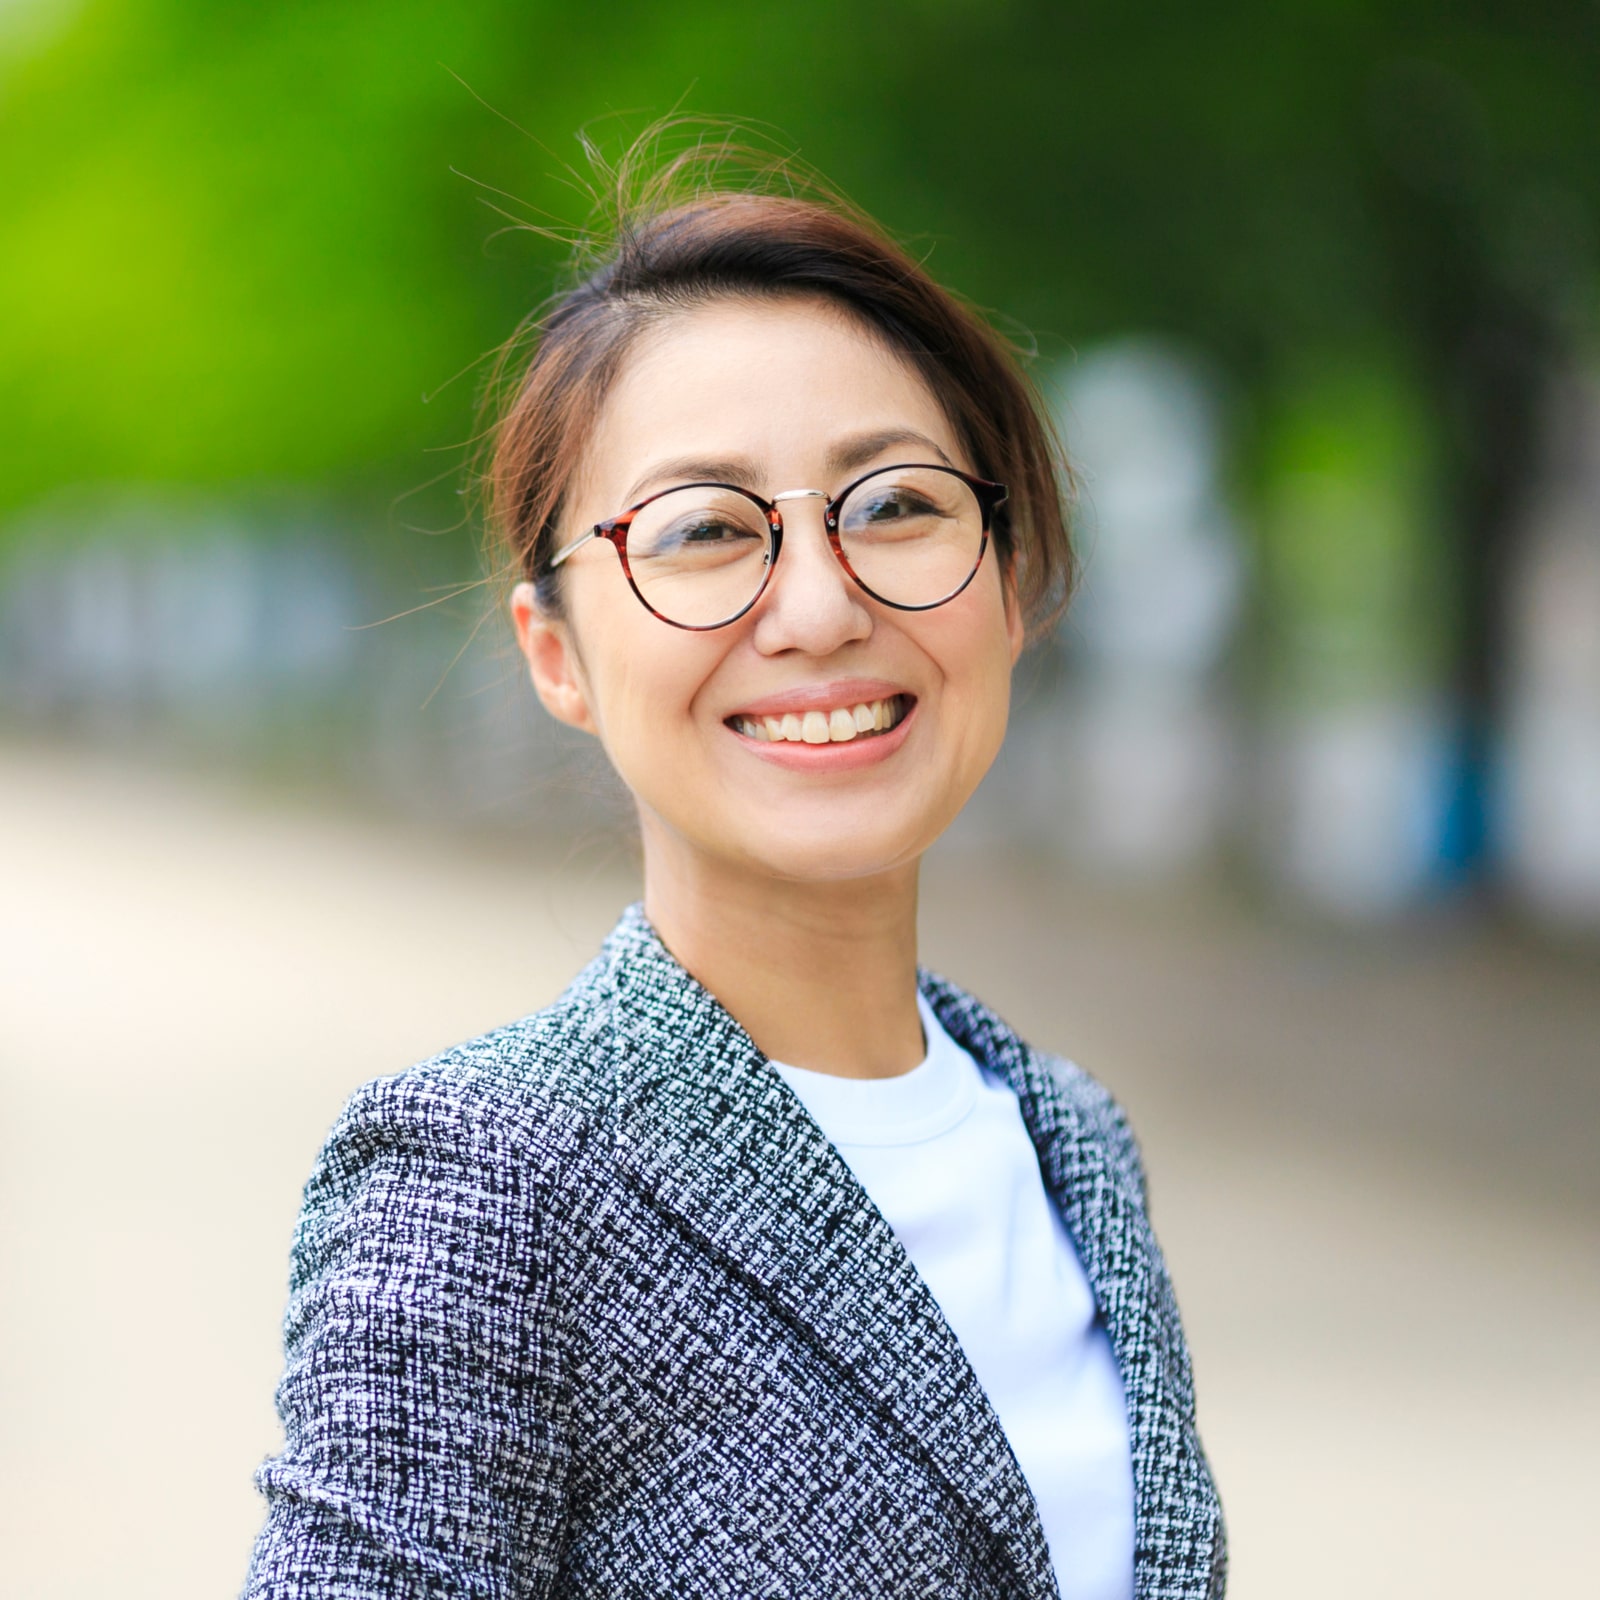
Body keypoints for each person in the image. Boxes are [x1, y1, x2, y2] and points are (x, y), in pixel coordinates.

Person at [243, 139, 1226, 1600]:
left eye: (896, 504)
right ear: (557, 654)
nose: (822, 608)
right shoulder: (486, 1185)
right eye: (707, 531)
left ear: (1010, 589)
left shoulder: (1071, 1138)